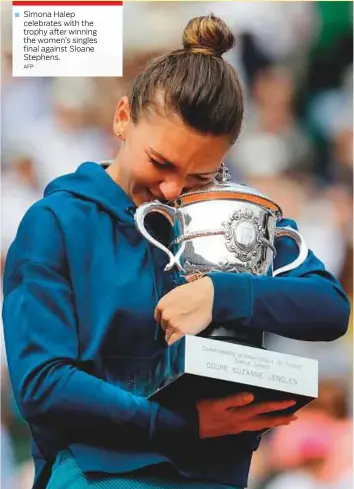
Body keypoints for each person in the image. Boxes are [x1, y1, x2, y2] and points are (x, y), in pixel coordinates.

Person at [2, 15, 350, 489]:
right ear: (122, 117)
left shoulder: (238, 217)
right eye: (160, 162)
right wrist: (184, 426)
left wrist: (218, 293)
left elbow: (329, 308)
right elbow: (43, 385)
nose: (171, 189)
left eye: (199, 176)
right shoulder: (57, 222)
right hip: (100, 477)